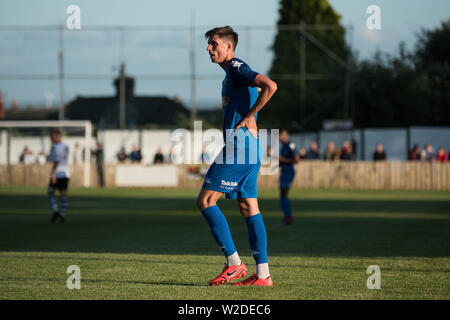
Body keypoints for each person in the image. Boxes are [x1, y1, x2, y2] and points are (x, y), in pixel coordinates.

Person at [196, 26, 277, 287]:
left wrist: (250, 115)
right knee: (248, 207)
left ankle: (234, 264)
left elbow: (270, 86)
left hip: (240, 148)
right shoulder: (230, 74)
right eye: (209, 44)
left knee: (206, 201)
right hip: (251, 149)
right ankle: (263, 275)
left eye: (213, 43)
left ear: (228, 47)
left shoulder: (235, 67)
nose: (209, 48)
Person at [48, 129, 70, 223]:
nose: (51, 139)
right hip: (66, 173)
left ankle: (56, 211)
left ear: (57, 136)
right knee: (63, 195)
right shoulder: (65, 146)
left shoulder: (57, 147)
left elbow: (57, 161)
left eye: (52, 137)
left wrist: (53, 174)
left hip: (58, 174)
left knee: (51, 193)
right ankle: (62, 215)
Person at [279, 129, 299, 225]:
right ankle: (287, 216)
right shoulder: (283, 146)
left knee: (284, 194)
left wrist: (282, 159)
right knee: (282, 195)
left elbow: (296, 160)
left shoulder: (291, 145)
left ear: (287, 135)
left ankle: (288, 217)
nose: (280, 137)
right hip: (284, 171)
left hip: (289, 171)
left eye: (282, 135)